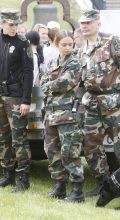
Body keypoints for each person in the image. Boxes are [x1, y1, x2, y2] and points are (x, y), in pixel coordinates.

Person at [78, 9, 120, 197]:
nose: (85, 26)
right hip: (92, 104)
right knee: (91, 147)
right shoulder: (82, 47)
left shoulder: (112, 41)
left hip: (116, 104)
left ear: (98, 24)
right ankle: (103, 184)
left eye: (88, 23)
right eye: (82, 23)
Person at [40, 29, 85, 202]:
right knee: (51, 150)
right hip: (51, 114)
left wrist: (49, 85)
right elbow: (42, 80)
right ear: (56, 44)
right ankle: (59, 187)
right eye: (64, 44)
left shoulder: (75, 62)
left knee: (69, 152)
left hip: (67, 115)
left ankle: (77, 192)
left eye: (70, 44)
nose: (67, 48)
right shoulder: (53, 62)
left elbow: (65, 83)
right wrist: (50, 84)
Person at [0, 8, 33, 192]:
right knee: (2, 138)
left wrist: (25, 100)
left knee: (18, 139)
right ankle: (8, 174)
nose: (14, 28)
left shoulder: (23, 43)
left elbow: (28, 73)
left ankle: (23, 178)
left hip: (15, 97)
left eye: (16, 24)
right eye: (11, 25)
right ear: (2, 23)